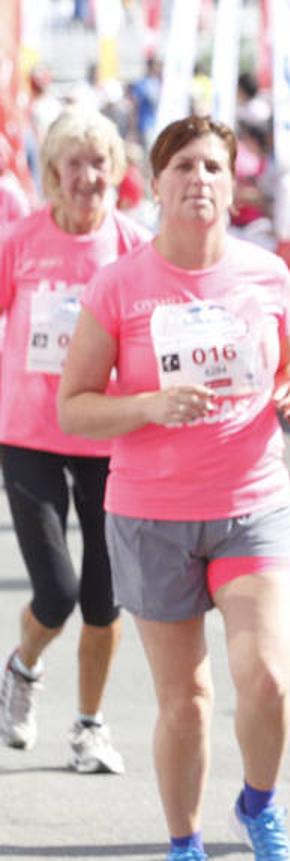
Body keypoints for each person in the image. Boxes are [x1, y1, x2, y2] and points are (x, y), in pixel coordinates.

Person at [56, 115, 290, 861]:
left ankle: (259, 806)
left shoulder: (267, 274)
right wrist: (148, 406)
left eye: (213, 166)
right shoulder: (120, 284)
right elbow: (73, 408)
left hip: (251, 504)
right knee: (188, 701)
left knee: (265, 677)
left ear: (231, 182)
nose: (199, 179)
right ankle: (185, 848)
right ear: (157, 181)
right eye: (183, 167)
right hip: (150, 514)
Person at [0, 108, 149, 774]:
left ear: (116, 172)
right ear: (54, 172)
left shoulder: (132, 248)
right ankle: (23, 669)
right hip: (29, 433)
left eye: (100, 164)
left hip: (109, 438)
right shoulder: (20, 240)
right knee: (56, 590)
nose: (89, 177)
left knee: (102, 597)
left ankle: (90, 726)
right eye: (75, 164)